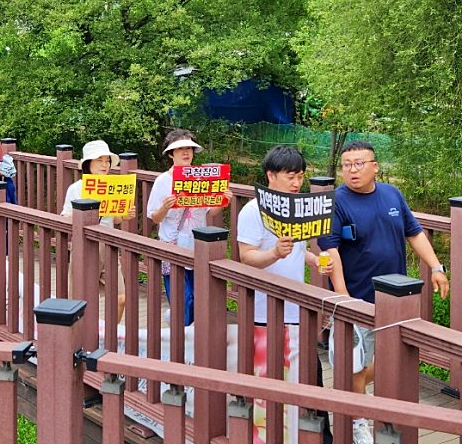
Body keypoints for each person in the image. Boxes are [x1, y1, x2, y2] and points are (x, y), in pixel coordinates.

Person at [318, 140, 449, 443]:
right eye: (347, 164)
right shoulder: (336, 201)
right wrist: (343, 296)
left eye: (359, 163)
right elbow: (331, 250)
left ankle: (364, 399)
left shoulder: (392, 194)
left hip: (394, 302)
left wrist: (436, 267)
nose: (352, 170)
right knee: (351, 363)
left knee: (384, 362)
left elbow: (414, 232)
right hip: (357, 299)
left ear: (375, 167)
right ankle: (359, 422)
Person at [237, 145, 334, 444]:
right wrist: (274, 253)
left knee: (311, 379)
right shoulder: (254, 210)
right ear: (270, 175)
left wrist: (314, 260)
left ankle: (320, 438)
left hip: (299, 311)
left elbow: (300, 249)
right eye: (290, 176)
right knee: (270, 382)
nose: (296, 183)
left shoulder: (297, 209)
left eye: (300, 177)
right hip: (266, 313)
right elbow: (246, 257)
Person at [146, 129, 230, 326]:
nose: (186, 152)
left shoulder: (202, 178)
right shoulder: (163, 181)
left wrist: (223, 201)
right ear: (170, 154)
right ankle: (180, 341)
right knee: (182, 299)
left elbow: (210, 212)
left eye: (189, 148)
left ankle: (193, 340)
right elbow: (155, 218)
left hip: (198, 247)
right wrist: (165, 207)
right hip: (173, 247)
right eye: (180, 149)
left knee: (200, 299)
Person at [60, 140, 137, 323]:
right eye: (99, 160)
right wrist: (85, 213)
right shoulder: (76, 188)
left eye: (107, 160)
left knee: (120, 298)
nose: (105, 165)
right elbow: (64, 217)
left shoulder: (113, 186)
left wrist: (124, 216)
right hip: (84, 246)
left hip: (108, 244)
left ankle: (108, 339)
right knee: (79, 301)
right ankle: (78, 340)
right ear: (88, 163)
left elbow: (113, 219)